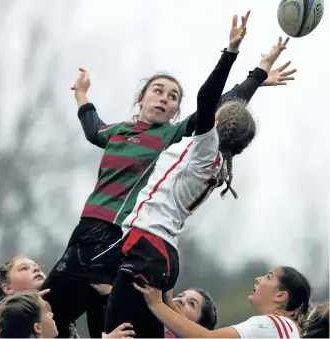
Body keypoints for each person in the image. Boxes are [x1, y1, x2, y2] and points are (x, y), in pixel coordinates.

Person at [41, 10, 296, 337]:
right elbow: (94, 130)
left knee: (43, 310)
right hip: (110, 236)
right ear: (141, 98)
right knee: (95, 322)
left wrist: (256, 75)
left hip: (121, 234)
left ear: (178, 111)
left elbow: (216, 104)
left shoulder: (177, 138)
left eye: (173, 96)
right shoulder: (121, 132)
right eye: (158, 90)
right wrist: (82, 97)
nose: (164, 98)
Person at [103, 34, 289, 337]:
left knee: (113, 331)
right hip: (160, 252)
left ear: (216, 124)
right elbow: (226, 104)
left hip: (148, 246)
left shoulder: (204, 148)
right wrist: (259, 72)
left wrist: (230, 53)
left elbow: (208, 97)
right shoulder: (216, 158)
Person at [134, 266, 311, 338]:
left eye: (268, 277)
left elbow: (205, 337)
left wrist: (156, 304)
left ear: (280, 296)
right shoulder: (281, 328)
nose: (258, 279)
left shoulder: (272, 325)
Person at [0, 256, 133, 339]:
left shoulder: (60, 320)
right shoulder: (2, 324)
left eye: (37, 267)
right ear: (7, 288)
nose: (36, 270)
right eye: (24, 268)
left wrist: (109, 296)